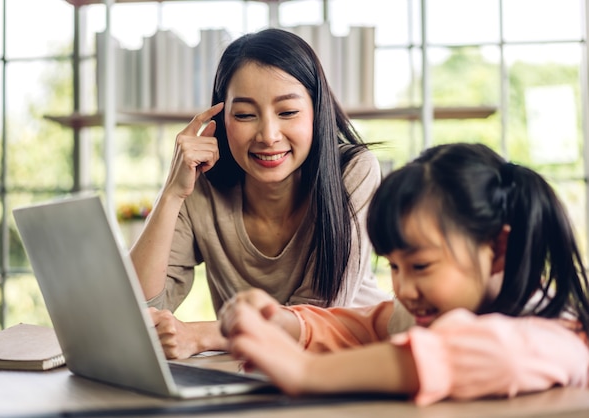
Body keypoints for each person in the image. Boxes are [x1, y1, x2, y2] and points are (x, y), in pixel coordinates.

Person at [219, 142, 589, 406]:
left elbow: (488, 352)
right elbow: (365, 325)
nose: (403, 288)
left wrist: (306, 373)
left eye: (421, 266)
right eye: (394, 266)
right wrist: (288, 325)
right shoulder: (426, 308)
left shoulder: (556, 333)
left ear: (498, 251)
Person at [130, 28, 389, 359]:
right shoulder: (201, 183)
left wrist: (201, 335)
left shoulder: (353, 171)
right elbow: (139, 309)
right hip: (255, 372)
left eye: (287, 112)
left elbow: (317, 316)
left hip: (353, 365)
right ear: (221, 120)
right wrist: (171, 194)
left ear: (316, 112)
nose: (268, 135)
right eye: (245, 115)